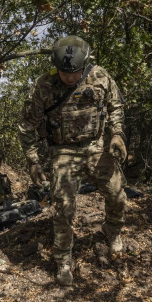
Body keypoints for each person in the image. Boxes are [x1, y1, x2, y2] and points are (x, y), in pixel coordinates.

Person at [18, 35, 127, 286]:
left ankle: (111, 231)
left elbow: (116, 108)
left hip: (96, 146)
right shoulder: (44, 86)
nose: (70, 78)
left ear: (86, 63)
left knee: (117, 195)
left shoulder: (101, 77)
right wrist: (33, 162)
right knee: (64, 207)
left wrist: (118, 135)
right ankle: (63, 259)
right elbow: (26, 126)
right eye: (64, 73)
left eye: (75, 72)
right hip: (64, 151)